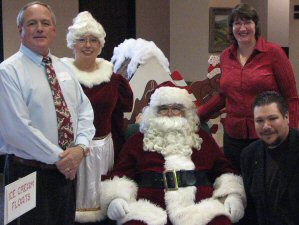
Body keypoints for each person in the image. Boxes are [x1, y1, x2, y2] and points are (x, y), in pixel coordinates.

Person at [0, 2, 95, 225]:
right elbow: (17, 129)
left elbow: (84, 111)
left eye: (45, 23)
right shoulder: (7, 72)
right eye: (32, 23)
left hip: (64, 174)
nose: (39, 28)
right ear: (20, 30)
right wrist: (63, 159)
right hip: (27, 173)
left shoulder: (64, 68)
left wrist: (80, 148)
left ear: (54, 30)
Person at [100, 84, 246, 225]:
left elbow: (224, 171)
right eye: (163, 109)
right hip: (149, 210)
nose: (170, 113)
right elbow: (121, 173)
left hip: (199, 209)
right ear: (154, 112)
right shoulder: (137, 140)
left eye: (176, 108)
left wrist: (232, 195)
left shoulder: (202, 138)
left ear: (185, 112)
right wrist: (116, 198)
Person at [198, 3, 299, 172]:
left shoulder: (274, 53)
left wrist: (293, 135)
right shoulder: (225, 56)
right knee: (237, 187)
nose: (242, 28)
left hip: (266, 134)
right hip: (233, 137)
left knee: (264, 189)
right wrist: (198, 114)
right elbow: (224, 95)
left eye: (247, 22)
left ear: (255, 26)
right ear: (231, 28)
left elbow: (291, 98)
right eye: (237, 23)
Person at [62, 11, 133, 223]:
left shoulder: (113, 80)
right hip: (72, 150)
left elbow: (119, 114)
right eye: (81, 39)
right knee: (70, 205)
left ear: (101, 44)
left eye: (93, 40)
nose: (88, 45)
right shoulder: (61, 77)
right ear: (72, 44)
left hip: (104, 149)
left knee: (104, 206)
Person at [240, 91, 299, 225]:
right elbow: (251, 209)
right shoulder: (248, 155)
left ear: (287, 117)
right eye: (259, 120)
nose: (266, 126)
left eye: (272, 118)